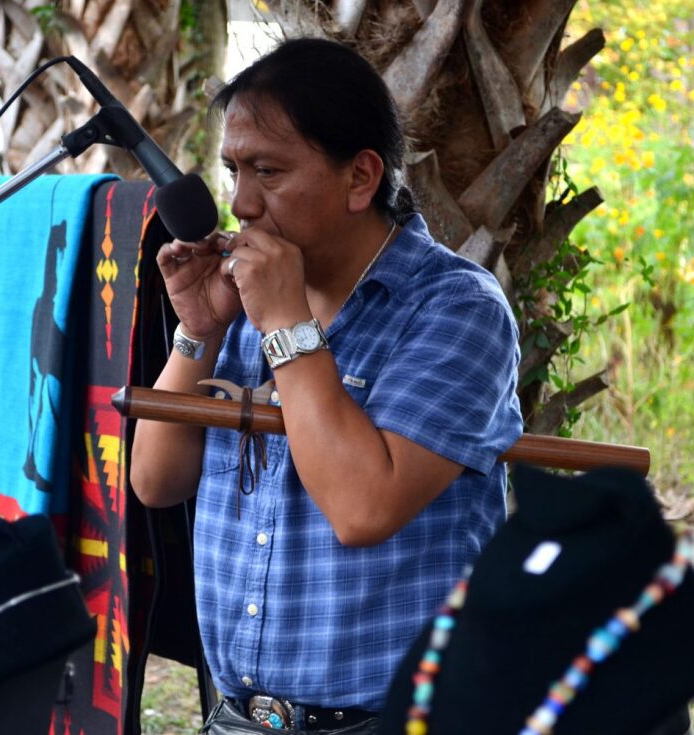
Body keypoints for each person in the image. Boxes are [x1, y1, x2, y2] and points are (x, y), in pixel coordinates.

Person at [130, 37, 523, 731]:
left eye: (269, 171)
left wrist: (285, 323)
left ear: (361, 177)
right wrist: (198, 331)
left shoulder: (455, 308)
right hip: (241, 716)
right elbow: (156, 480)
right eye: (232, 171)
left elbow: (364, 507)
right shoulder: (252, 300)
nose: (243, 203)